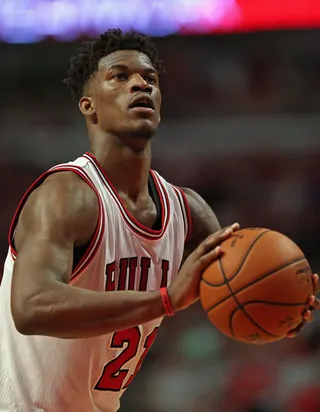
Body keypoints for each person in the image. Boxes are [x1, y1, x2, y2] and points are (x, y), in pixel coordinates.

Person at [0, 29, 318, 412]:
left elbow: (236, 298)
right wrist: (165, 300)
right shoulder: (66, 195)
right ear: (89, 106)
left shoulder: (189, 211)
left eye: (149, 78)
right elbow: (30, 308)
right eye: (120, 76)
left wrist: (282, 311)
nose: (140, 84)